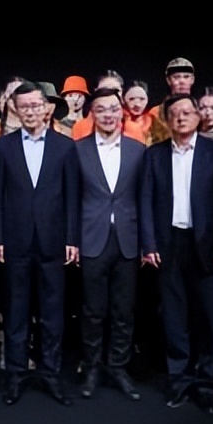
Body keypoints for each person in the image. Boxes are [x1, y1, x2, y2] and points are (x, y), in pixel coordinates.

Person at [139, 93, 213, 411]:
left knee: (207, 316)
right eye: (174, 114)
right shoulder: (154, 155)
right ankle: (179, 379)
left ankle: (207, 380)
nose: (181, 117)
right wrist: (149, 245)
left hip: (205, 245)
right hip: (168, 245)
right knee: (173, 316)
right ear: (167, 120)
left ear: (199, 116)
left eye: (187, 112)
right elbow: (145, 202)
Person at [0, 81, 78, 407]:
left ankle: (51, 373)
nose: (29, 111)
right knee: (16, 311)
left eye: (35, 105)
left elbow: (72, 196)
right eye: (23, 106)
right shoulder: (4, 146)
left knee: (53, 312)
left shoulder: (65, 146)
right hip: (15, 240)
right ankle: (14, 374)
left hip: (53, 240)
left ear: (46, 108)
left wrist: (72, 239)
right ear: (15, 109)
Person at [72, 87, 146, 402]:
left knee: (124, 310)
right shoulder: (78, 150)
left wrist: (147, 243)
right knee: (92, 310)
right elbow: (71, 199)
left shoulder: (138, 150)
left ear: (121, 112)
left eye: (113, 109)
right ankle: (92, 367)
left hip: (128, 240)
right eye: (101, 109)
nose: (108, 115)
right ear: (92, 114)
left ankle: (118, 367)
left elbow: (145, 199)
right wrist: (72, 240)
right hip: (91, 238)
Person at [147, 58, 197, 146]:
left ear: (192, 80)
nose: (182, 81)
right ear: (168, 80)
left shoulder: (201, 109)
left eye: (186, 77)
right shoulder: (156, 112)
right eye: (176, 77)